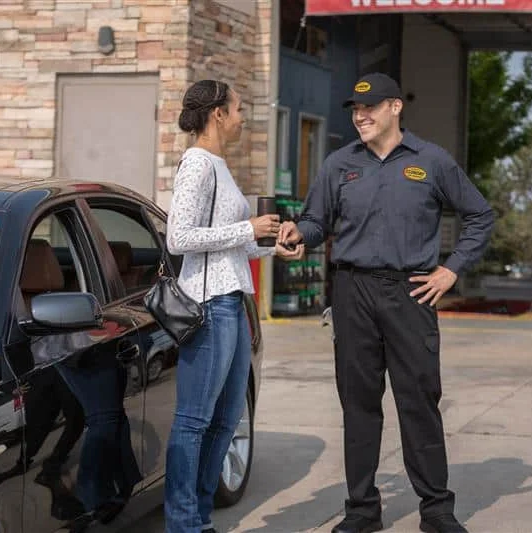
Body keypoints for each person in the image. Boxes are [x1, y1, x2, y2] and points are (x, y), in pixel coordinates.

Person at [279, 72, 494, 533]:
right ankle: (362, 510)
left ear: (395, 107)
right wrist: (300, 233)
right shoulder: (339, 164)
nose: (361, 116)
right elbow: (317, 220)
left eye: (370, 107)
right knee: (358, 404)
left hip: (409, 292)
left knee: (418, 400)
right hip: (351, 291)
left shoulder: (431, 162)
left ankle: (436, 510)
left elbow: (480, 214)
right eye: (356, 109)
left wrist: (452, 269)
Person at [164, 79, 304, 533]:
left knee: (227, 420)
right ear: (218, 114)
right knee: (193, 422)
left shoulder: (221, 166)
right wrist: (248, 228)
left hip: (234, 301)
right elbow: (178, 238)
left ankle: (201, 517)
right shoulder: (198, 165)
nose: (245, 118)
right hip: (208, 307)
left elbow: (227, 248)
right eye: (239, 109)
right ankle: (183, 523)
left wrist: (269, 249)